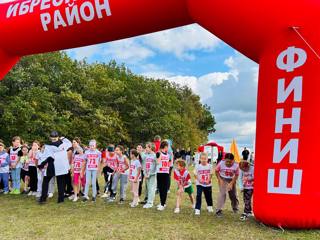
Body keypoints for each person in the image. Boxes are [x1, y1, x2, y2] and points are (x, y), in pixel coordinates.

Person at [38, 131, 72, 204]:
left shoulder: (48, 146)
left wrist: (41, 165)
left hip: (52, 165)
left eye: (54, 137)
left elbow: (45, 157)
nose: (53, 139)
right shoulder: (64, 144)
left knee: (46, 181)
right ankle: (60, 199)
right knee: (60, 182)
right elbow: (69, 142)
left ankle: (43, 199)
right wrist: (63, 138)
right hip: (60, 166)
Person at [215, 153, 240, 217]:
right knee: (222, 194)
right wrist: (219, 179)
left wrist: (231, 183)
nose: (228, 163)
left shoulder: (236, 165)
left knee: (233, 195)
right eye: (227, 161)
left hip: (231, 179)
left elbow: (236, 175)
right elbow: (216, 171)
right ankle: (218, 210)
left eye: (230, 162)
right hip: (223, 179)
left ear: (233, 160)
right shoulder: (221, 163)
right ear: (225, 160)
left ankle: (235, 208)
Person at [156, 141, 172, 211]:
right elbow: (158, 162)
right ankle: (162, 202)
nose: (168, 148)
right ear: (165, 146)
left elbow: (169, 163)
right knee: (161, 188)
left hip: (165, 173)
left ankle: (163, 204)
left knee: (164, 189)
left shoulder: (168, 154)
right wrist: (158, 156)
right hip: (160, 172)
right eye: (167, 146)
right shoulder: (159, 153)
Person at [142, 142, 157, 209]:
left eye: (147, 147)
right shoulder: (146, 155)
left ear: (151, 148)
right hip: (147, 174)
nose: (146, 149)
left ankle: (150, 202)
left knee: (152, 188)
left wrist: (152, 173)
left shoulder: (154, 155)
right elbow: (144, 165)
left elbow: (156, 165)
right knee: (148, 188)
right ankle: (148, 200)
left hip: (152, 174)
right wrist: (145, 173)